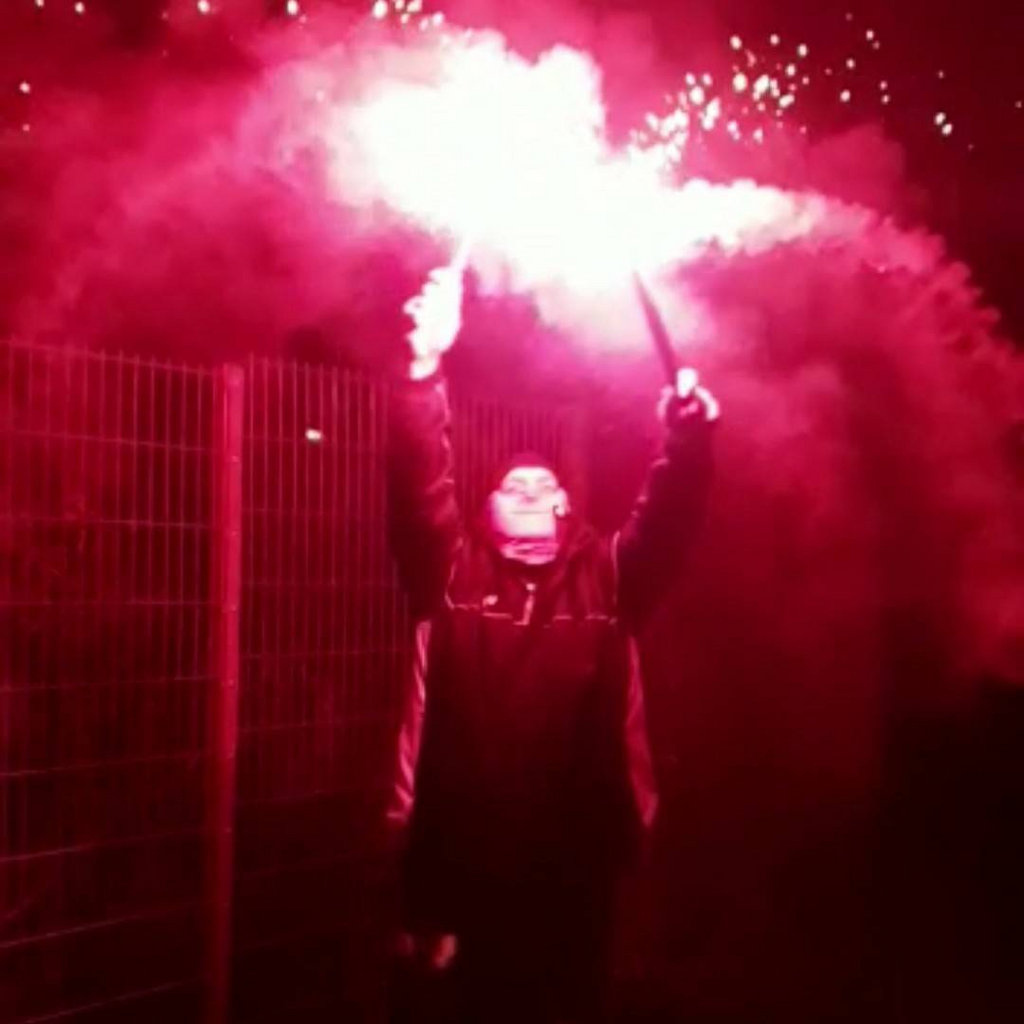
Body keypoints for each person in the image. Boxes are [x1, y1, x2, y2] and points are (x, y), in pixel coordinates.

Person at [385, 264, 719, 1023]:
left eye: (544, 485)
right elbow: (416, 482)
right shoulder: (451, 572)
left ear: (567, 506)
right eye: (513, 486)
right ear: (487, 512)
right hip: (464, 863)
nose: (530, 488)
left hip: (576, 866)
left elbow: (669, 516)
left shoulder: (609, 579)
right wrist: (421, 369)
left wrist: (690, 439)